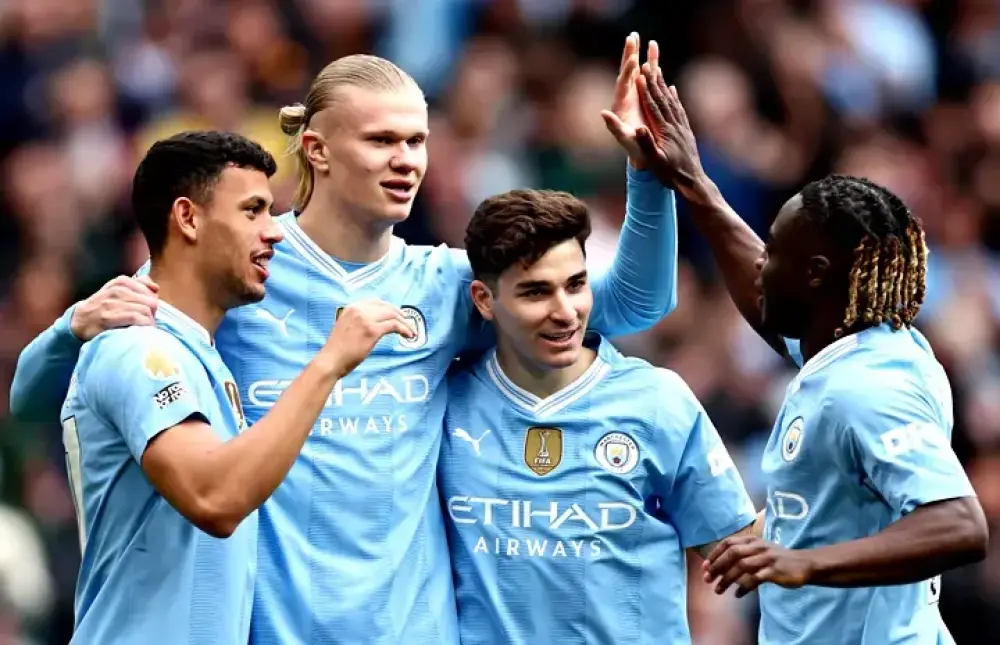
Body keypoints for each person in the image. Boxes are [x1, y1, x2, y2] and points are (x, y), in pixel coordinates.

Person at [11, 38, 681, 644]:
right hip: (270, 630)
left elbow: (630, 303)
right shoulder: (240, 269)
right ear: (318, 150)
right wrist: (70, 330)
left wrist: (649, 178)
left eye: (417, 141)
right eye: (382, 140)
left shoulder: (446, 284)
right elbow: (39, 398)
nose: (406, 160)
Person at [630, 63, 988, 644]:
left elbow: (959, 524)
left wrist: (802, 563)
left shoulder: (869, 389)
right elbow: (761, 294)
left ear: (815, 275)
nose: (761, 266)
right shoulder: (853, 348)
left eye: (775, 253)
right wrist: (695, 183)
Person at [60, 130, 414, 644]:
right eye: (253, 211)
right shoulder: (139, 350)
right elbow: (215, 497)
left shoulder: (203, 356)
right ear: (188, 218)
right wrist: (329, 364)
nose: (275, 232)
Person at [440, 188, 757, 644]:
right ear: (484, 300)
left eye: (576, 285)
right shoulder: (445, 403)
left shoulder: (657, 400)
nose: (565, 312)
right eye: (536, 292)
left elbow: (738, 548)